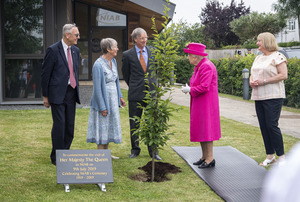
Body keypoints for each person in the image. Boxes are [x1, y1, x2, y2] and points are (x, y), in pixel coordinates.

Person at [41, 24, 81, 166]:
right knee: (60, 125)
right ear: (67, 35)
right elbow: (45, 74)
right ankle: (57, 157)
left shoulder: (76, 51)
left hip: (71, 92)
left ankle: (65, 153)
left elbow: (75, 71)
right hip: (57, 94)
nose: (78, 37)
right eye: (76, 35)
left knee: (70, 126)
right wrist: (45, 96)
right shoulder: (53, 50)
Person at [121, 27, 161, 160]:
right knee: (134, 123)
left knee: (152, 123)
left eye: (146, 38)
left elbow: (157, 70)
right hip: (135, 94)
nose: (145, 40)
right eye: (142, 38)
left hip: (151, 93)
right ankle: (135, 149)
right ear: (135, 39)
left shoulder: (154, 52)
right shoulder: (127, 55)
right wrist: (134, 85)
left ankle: (153, 151)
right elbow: (126, 74)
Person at [250, 32, 288, 167]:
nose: (257, 43)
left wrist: (264, 81)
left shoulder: (278, 57)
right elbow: (252, 74)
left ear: (266, 42)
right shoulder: (258, 58)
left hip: (273, 96)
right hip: (258, 96)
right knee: (264, 126)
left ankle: (282, 157)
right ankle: (270, 155)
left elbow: (283, 75)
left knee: (272, 125)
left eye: (259, 41)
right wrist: (251, 81)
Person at [181, 43, 221, 169]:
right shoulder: (199, 66)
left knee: (207, 130)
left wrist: (189, 90)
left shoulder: (206, 66)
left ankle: (210, 159)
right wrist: (190, 88)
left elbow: (204, 87)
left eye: (188, 55)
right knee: (201, 129)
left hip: (206, 103)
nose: (187, 57)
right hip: (200, 102)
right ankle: (204, 157)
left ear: (195, 56)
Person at [86, 38, 126, 156]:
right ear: (108, 49)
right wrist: (102, 107)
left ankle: (106, 154)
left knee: (109, 128)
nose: (117, 49)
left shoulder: (113, 61)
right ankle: (100, 155)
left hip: (113, 99)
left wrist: (120, 96)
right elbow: (97, 88)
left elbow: (116, 81)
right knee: (102, 127)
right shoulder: (98, 65)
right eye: (115, 46)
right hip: (103, 101)